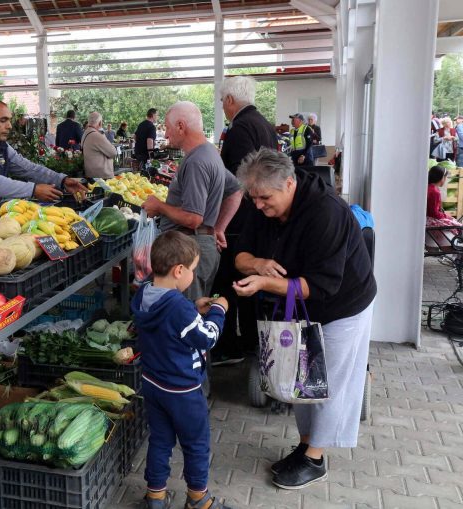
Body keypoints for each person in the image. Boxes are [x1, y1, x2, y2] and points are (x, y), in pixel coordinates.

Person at [232, 147, 377, 490]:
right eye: (253, 198)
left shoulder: (327, 212)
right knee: (301, 380)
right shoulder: (260, 205)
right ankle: (305, 445)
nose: (258, 205)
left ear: (288, 183)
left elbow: (323, 286)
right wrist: (257, 265)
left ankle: (315, 458)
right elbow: (238, 255)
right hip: (296, 305)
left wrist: (267, 282)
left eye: (265, 198)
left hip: (343, 305)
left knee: (329, 384)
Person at [131, 230, 231, 509]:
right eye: (192, 270)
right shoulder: (178, 307)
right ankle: (198, 499)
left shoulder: (143, 294)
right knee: (196, 443)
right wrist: (217, 311)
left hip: (153, 384)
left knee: (160, 440)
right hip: (183, 391)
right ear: (178, 270)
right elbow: (206, 337)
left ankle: (155, 497)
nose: (192, 276)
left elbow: (172, 320)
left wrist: (192, 307)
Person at [142, 101, 242, 302]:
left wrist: (159, 206)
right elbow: (235, 191)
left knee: (186, 314)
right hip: (199, 245)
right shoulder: (209, 152)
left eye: (168, 128)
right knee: (195, 310)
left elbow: (193, 218)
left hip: (188, 250)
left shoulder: (197, 161)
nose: (167, 134)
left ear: (180, 125)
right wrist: (219, 228)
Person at [211, 75, 278, 366]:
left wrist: (222, 224)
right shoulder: (265, 124)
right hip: (262, 216)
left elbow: (236, 183)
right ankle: (251, 341)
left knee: (227, 280)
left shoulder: (239, 129)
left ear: (229, 100)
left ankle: (229, 346)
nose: (223, 107)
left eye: (222, 101)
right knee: (251, 281)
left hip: (241, 221)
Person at [81, 112, 117, 179]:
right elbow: (113, 152)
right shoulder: (96, 135)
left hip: (90, 174)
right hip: (101, 176)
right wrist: (102, 134)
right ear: (100, 123)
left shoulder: (86, 133)